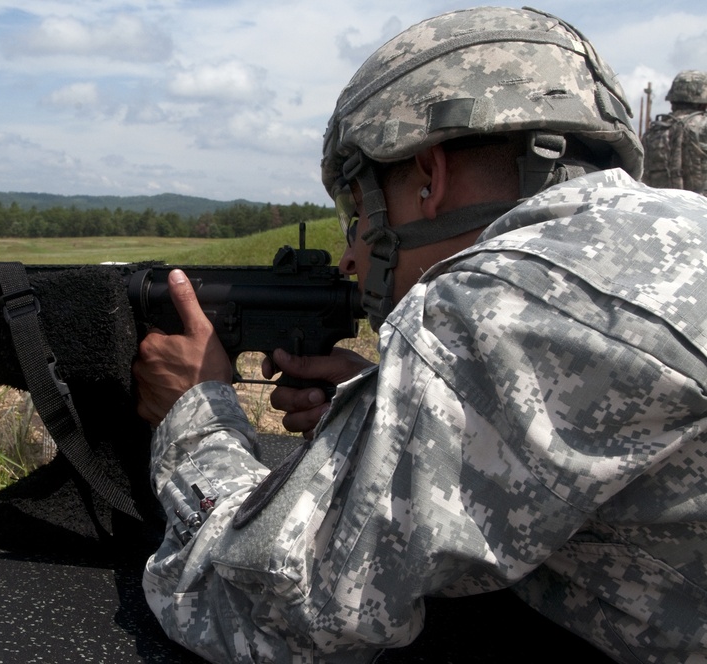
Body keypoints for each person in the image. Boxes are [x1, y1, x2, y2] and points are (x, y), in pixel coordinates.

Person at [133, 7, 707, 663]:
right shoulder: (672, 232)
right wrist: (384, 406)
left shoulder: (499, 303)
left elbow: (269, 613)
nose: (351, 257)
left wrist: (196, 412)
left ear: (429, 177)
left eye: (358, 210)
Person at [641, 69, 707, 195]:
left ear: (672, 101)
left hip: (660, 210)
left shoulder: (654, 131)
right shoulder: (702, 126)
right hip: (701, 210)